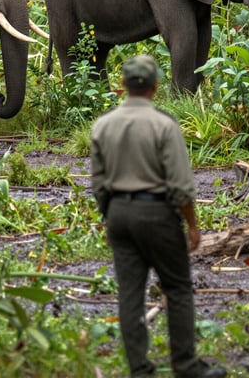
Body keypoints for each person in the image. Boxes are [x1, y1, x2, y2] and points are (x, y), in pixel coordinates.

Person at [90, 54, 226, 378]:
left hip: (119, 213)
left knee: (130, 293)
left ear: (122, 85)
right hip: (157, 213)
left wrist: (110, 218)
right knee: (177, 287)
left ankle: (139, 368)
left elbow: (98, 183)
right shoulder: (164, 125)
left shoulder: (102, 125)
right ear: (155, 86)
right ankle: (185, 364)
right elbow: (180, 185)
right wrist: (192, 225)